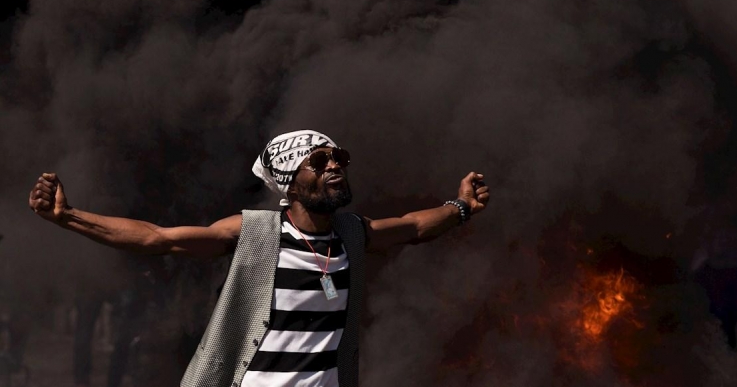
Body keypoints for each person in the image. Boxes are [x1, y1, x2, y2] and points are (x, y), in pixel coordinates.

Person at [28, 129, 490, 387]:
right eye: (320, 161)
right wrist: (67, 216)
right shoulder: (256, 232)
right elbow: (157, 239)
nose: (335, 166)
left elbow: (411, 227)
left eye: (339, 158)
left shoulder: (351, 233)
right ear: (291, 182)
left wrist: (461, 207)